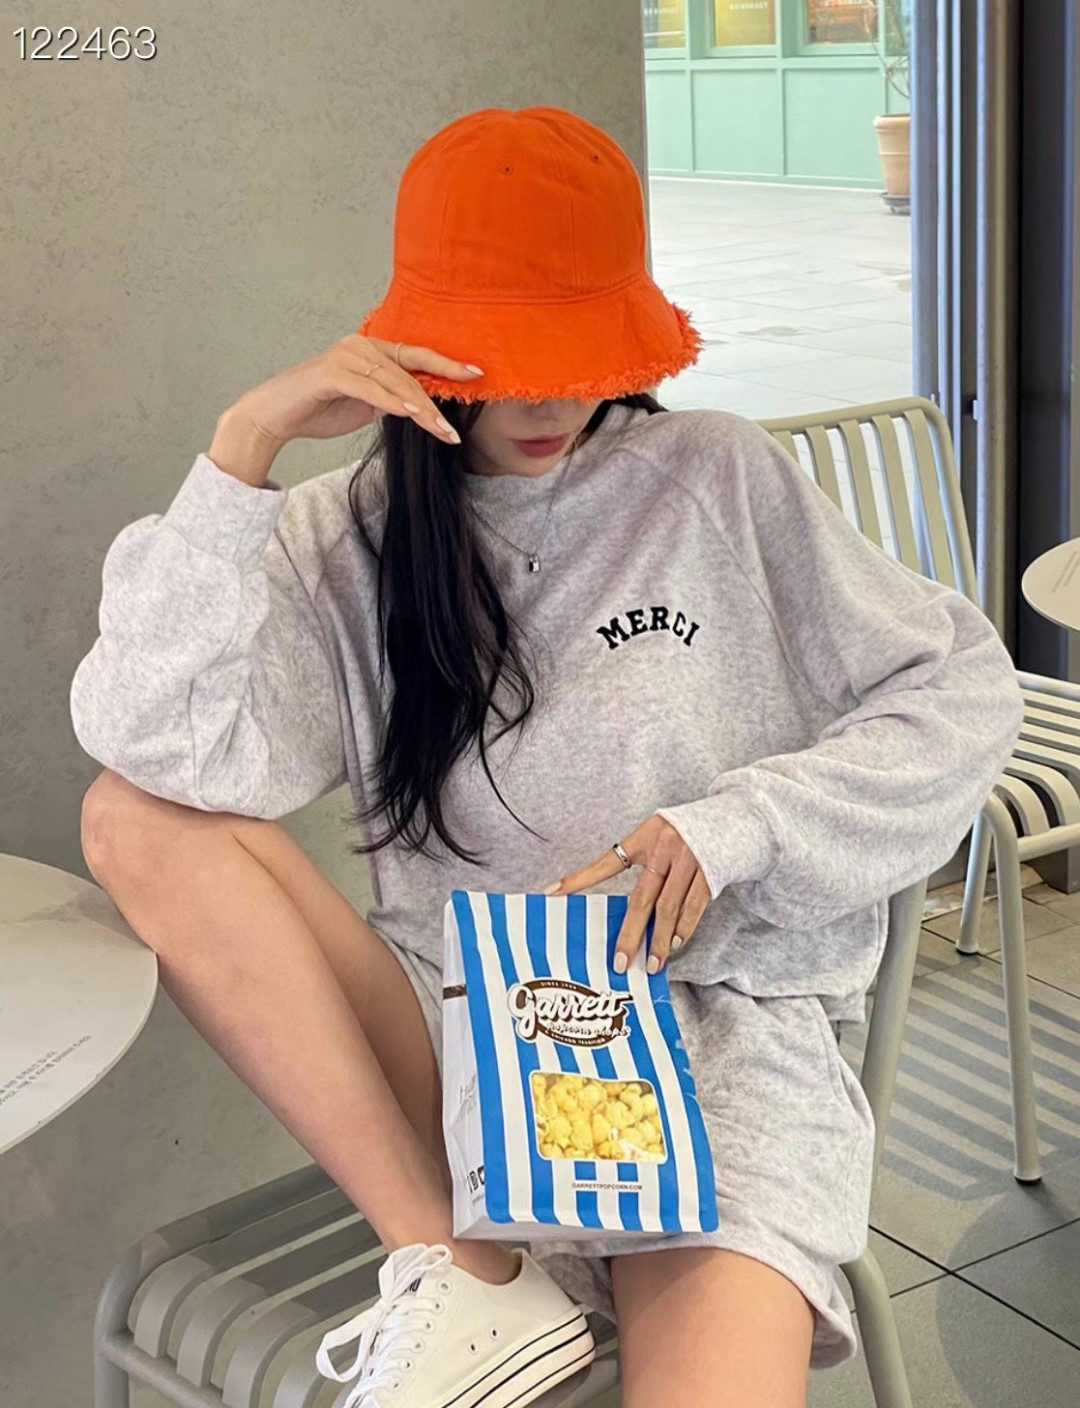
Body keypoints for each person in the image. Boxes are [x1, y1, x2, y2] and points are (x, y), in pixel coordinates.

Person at [70, 106, 1025, 1408]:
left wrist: (739, 825)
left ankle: (499, 1278)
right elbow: (152, 741)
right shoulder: (348, 538)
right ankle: (464, 1272)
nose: (549, 400)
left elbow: (960, 690)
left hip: (708, 1045)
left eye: (580, 352)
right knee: (131, 817)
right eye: (508, 356)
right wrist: (242, 449)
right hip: (466, 1039)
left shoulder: (711, 478)